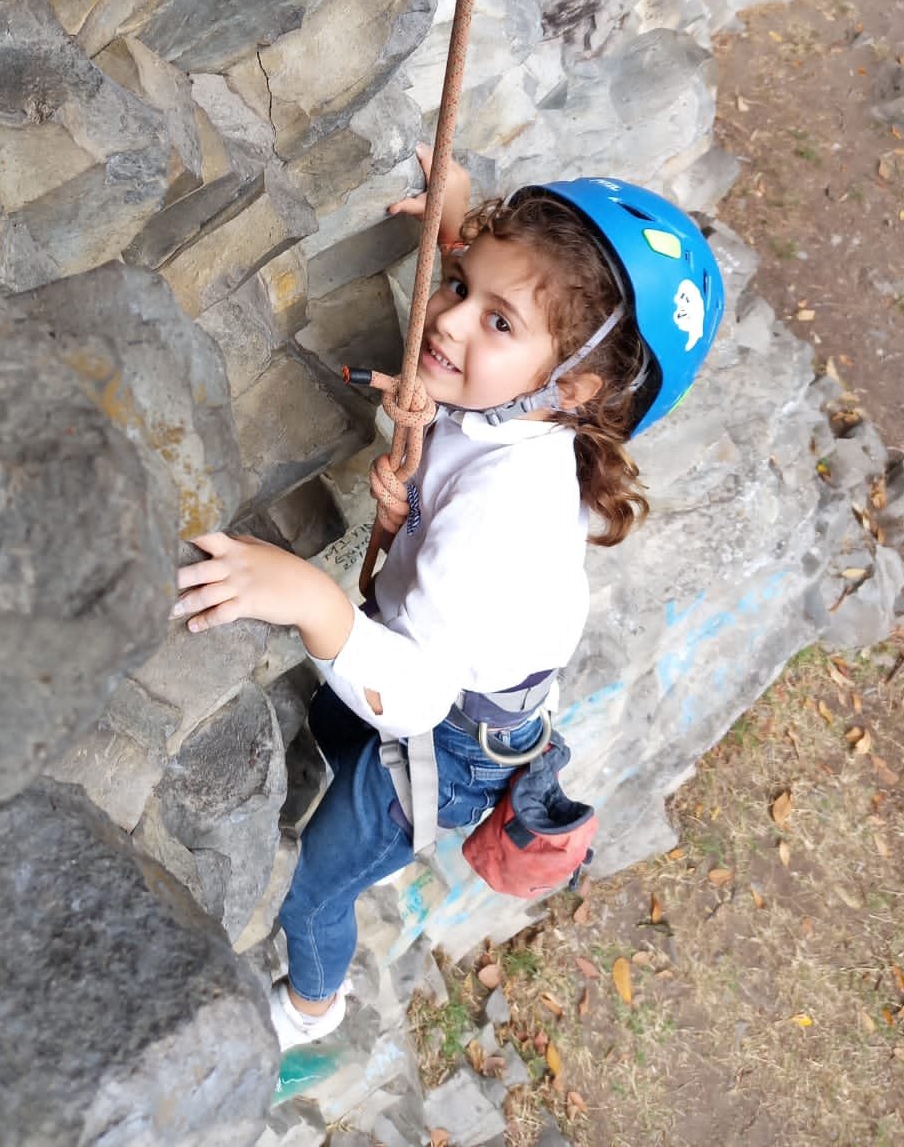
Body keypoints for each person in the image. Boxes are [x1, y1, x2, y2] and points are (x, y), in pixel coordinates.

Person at [173, 148, 724, 1050]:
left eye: (496, 318)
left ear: (573, 387)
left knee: (317, 886)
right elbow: (497, 325)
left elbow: (420, 695)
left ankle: (310, 1011)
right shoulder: (518, 401)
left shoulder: (508, 510)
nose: (451, 318)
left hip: (449, 735)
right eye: (458, 284)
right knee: (336, 727)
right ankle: (346, 798)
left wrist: (305, 594)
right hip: (430, 653)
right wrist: (458, 225)